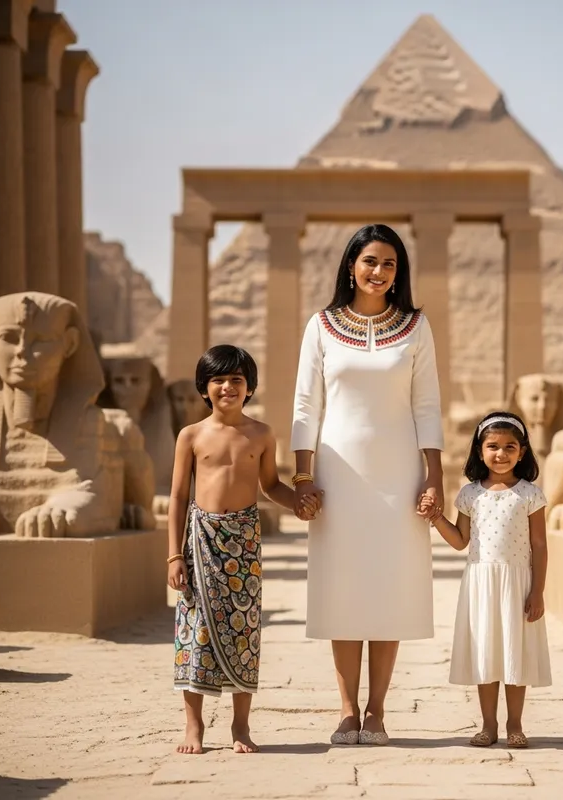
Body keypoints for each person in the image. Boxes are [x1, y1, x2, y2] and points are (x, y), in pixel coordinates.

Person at [292, 224, 444, 746]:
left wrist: (435, 476)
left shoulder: (416, 327)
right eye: (370, 262)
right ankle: (346, 710)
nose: (379, 273)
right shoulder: (322, 326)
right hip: (338, 474)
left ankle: (377, 711)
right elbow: (306, 406)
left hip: (398, 473)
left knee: (389, 590)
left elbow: (427, 407)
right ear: (351, 265)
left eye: (390, 265)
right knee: (343, 591)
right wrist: (304, 476)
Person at [167, 345, 320, 755]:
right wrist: (174, 555)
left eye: (236, 380)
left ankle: (240, 727)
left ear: (249, 387)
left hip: (244, 540)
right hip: (200, 540)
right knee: (194, 632)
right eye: (218, 380)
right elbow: (179, 497)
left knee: (244, 631)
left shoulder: (262, 434)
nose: (227, 387)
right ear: (205, 388)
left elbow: (270, 486)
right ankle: (194, 727)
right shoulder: (192, 435)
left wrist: (299, 504)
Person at [423, 411, 551, 749]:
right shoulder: (469, 494)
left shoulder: (530, 494)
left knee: (514, 653)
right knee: (486, 653)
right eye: (492, 446)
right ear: (480, 451)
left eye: (510, 446)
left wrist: (537, 591)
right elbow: (460, 541)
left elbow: (539, 544)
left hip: (517, 584)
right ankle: (488, 725)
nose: (501, 453)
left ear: (522, 451)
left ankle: (515, 725)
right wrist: (436, 518)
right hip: (480, 584)